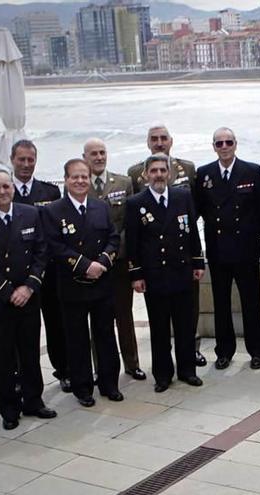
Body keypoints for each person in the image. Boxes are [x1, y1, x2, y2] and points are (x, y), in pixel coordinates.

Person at [0, 170, 56, 429]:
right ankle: (9, 408)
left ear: (13, 189)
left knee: (30, 353)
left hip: (28, 298)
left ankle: (34, 401)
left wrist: (29, 287)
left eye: (6, 186)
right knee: (1, 358)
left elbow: (41, 251)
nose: (3, 191)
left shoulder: (30, 214)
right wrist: (7, 291)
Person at [42, 159, 122, 407]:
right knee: (76, 340)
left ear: (89, 179)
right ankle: (83, 388)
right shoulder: (53, 211)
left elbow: (113, 238)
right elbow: (55, 246)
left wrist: (101, 263)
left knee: (106, 336)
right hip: (72, 285)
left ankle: (110, 384)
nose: (79, 181)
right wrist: (84, 265)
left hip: (101, 283)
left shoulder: (101, 207)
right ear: (66, 180)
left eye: (84, 177)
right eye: (74, 177)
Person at [127, 125, 206, 367]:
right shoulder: (135, 202)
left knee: (184, 324)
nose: (159, 174)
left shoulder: (182, 197)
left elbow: (192, 229)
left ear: (169, 173)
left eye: (163, 170)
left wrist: (197, 262)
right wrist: (136, 274)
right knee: (159, 327)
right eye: (154, 171)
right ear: (146, 175)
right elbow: (133, 241)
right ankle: (162, 373)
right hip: (155, 273)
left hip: (180, 269)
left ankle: (187, 370)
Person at [195, 127, 260, 370]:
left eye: (228, 142)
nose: (224, 146)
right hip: (218, 250)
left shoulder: (251, 170)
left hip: (246, 249)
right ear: (214, 147)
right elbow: (197, 210)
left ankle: (257, 351)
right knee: (221, 303)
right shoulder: (204, 174)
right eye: (219, 143)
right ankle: (224, 352)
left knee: (251, 302)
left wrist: (252, 233)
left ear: (236, 144)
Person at [84, 138, 145, 381]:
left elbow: (128, 225)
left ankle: (132, 363)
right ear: (85, 157)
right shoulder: (78, 184)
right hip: (92, 266)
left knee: (124, 315)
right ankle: (101, 368)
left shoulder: (123, 182)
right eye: (93, 154)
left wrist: (111, 254)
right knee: (98, 319)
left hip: (118, 261)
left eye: (102, 152)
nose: (99, 157)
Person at [10, 140, 69, 392]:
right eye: (21, 159)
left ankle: (64, 370)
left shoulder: (50, 193)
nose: (26, 164)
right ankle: (22, 377)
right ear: (12, 160)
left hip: (51, 271)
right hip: (20, 276)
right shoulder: (3, 191)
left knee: (57, 323)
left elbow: (56, 233)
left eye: (30, 159)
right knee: (22, 331)